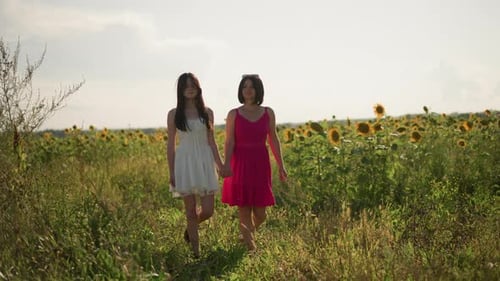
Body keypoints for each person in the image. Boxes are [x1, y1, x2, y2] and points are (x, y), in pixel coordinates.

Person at [221, 74, 287, 252]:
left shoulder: (268, 112)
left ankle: (246, 235)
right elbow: (229, 142)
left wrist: (281, 164)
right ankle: (251, 250)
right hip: (240, 163)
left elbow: (273, 139)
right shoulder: (234, 114)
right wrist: (226, 164)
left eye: (251, 87)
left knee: (260, 214)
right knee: (244, 209)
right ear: (241, 91)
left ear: (258, 90)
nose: (248, 90)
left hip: (260, 163)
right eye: (244, 87)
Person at [166, 72, 224, 258]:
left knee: (207, 211)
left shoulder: (207, 113)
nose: (189, 88)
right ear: (181, 90)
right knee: (190, 211)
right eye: (186, 85)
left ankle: (190, 230)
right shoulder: (174, 114)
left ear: (198, 88)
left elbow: (212, 141)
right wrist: (172, 171)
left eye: (193, 85)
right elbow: (170, 144)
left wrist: (220, 165)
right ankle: (196, 253)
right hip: (185, 162)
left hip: (205, 161)